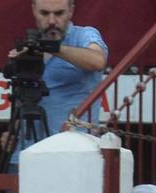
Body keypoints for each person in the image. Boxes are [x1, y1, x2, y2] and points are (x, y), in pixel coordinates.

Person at [9, 0, 107, 161]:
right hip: (25, 152)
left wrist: (51, 47)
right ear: (34, 10)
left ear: (71, 11)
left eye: (59, 13)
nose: (52, 21)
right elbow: (22, 94)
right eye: (45, 13)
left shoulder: (84, 35)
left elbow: (97, 61)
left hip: (71, 153)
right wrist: (12, 131)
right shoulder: (29, 46)